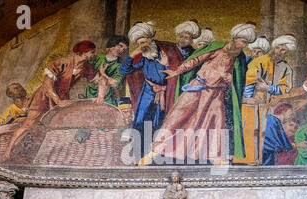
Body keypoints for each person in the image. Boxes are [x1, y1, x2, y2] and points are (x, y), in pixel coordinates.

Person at [138, 22, 256, 165]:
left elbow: (237, 79)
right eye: (243, 41)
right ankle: (154, 151)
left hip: (216, 94)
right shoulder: (217, 48)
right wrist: (176, 71)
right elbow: (195, 61)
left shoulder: (239, 57)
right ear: (235, 38)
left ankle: (216, 157)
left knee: (216, 123)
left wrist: (228, 79)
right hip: (198, 87)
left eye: (246, 43)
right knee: (176, 118)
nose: (243, 45)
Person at [2, 40, 97, 161]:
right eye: (92, 52)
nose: (95, 55)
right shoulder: (62, 63)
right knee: (29, 124)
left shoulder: (86, 67)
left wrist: (106, 83)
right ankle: (7, 152)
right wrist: (57, 101)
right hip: (44, 96)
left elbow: (98, 79)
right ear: (83, 52)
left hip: (62, 98)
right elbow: (47, 83)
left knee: (54, 125)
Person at [120, 21, 201, 159]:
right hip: (148, 92)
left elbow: (182, 74)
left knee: (162, 124)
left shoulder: (169, 52)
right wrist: (133, 54)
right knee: (141, 122)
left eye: (145, 42)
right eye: (140, 44)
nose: (143, 46)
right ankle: (139, 155)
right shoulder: (145, 57)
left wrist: (168, 64)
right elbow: (124, 70)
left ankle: (157, 156)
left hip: (166, 93)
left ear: (151, 40)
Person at [233, 34, 296, 165]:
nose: (279, 51)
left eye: (283, 50)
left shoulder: (286, 68)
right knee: (249, 132)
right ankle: (246, 161)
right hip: (250, 105)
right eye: (278, 48)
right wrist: (249, 97)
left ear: (287, 52)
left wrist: (268, 87)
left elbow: (284, 88)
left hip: (266, 106)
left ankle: (260, 162)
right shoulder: (260, 61)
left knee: (263, 135)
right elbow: (250, 80)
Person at [82, 36, 128, 106]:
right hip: (89, 94)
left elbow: (116, 83)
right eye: (120, 46)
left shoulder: (120, 66)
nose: (121, 50)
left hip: (106, 98)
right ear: (112, 45)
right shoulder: (97, 58)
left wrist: (103, 74)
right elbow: (84, 70)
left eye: (124, 49)